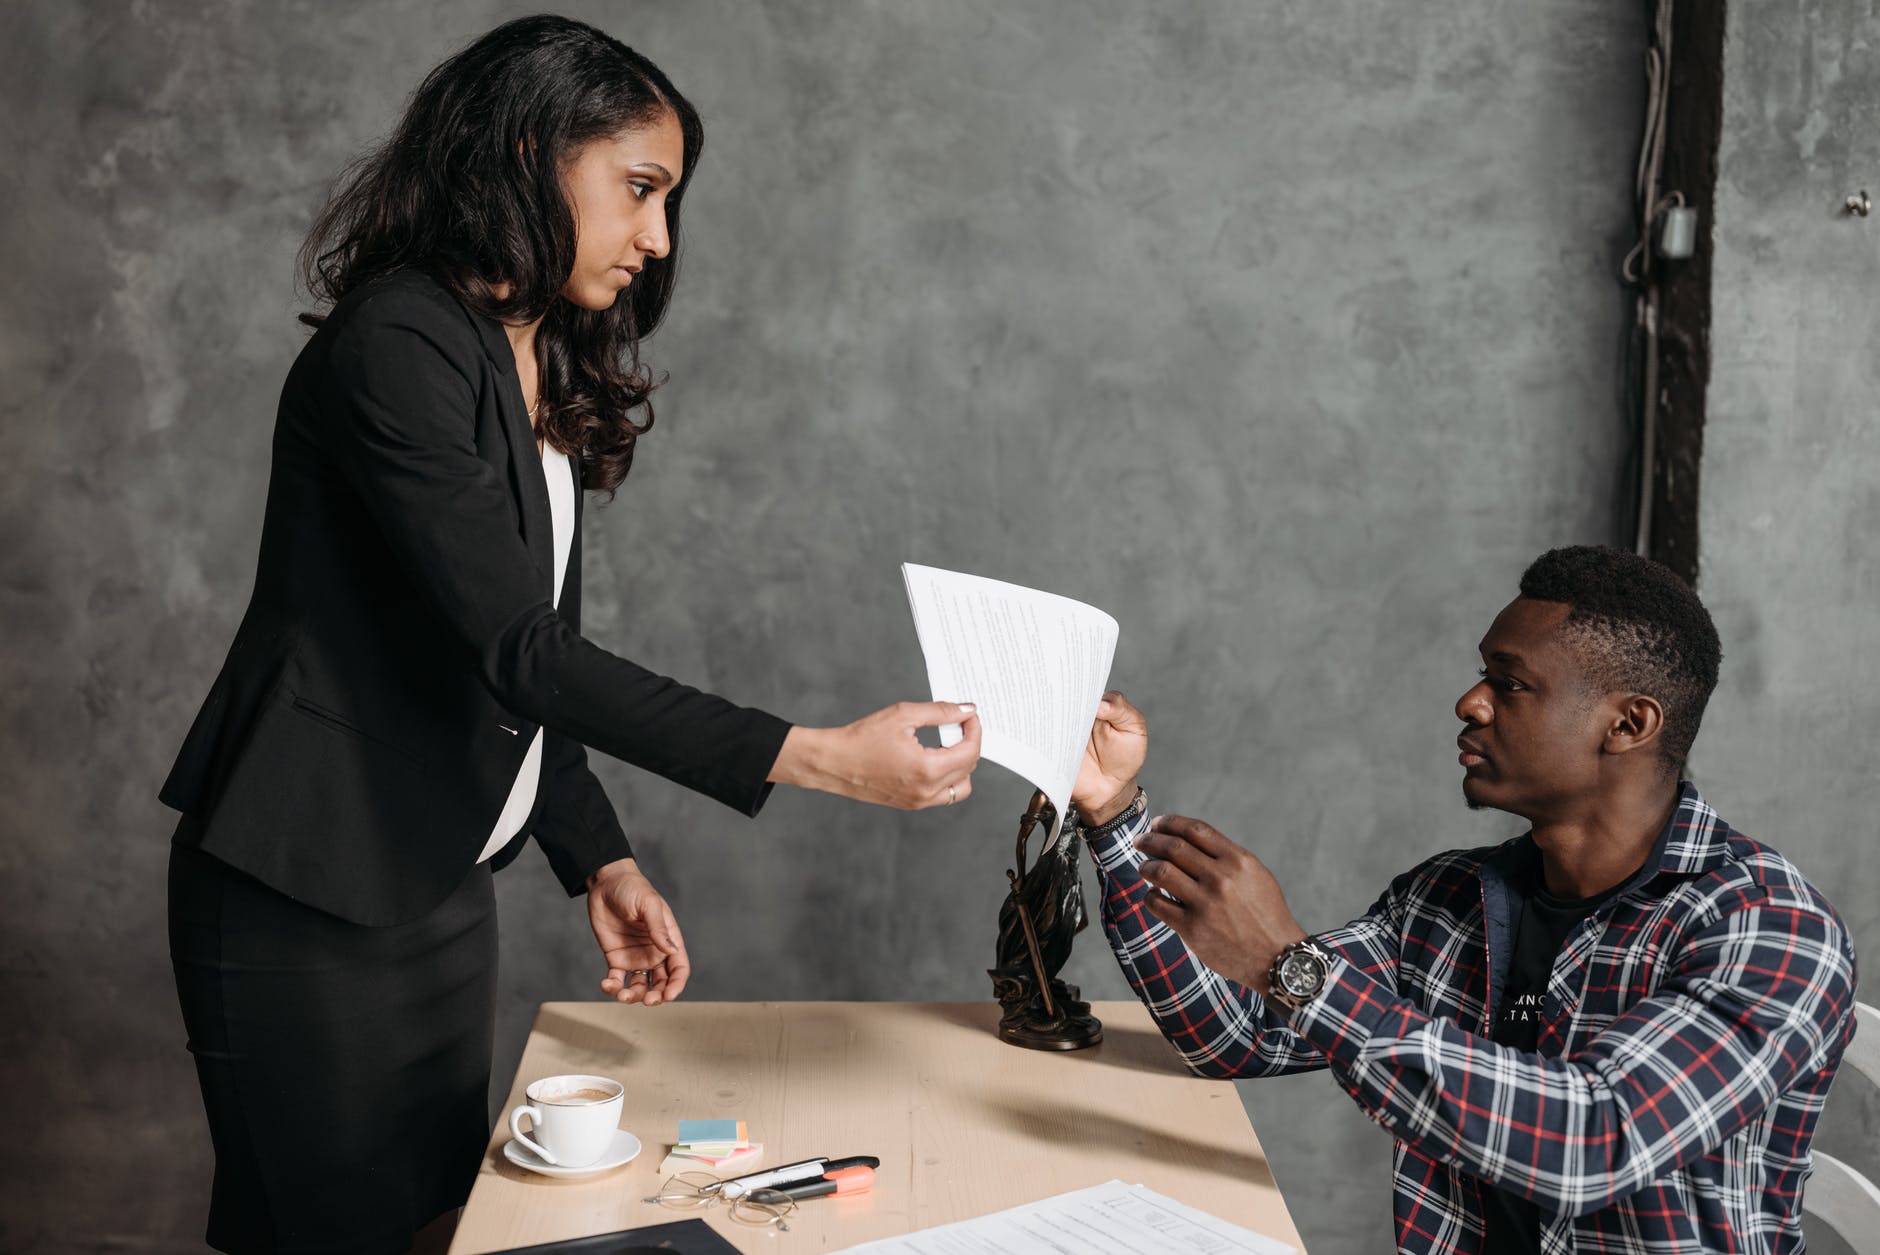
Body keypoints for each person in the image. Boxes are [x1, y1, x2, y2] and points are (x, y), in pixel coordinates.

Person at [162, 16, 981, 1254]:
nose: (657, 241)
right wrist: (815, 754)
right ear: (531, 153)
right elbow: (518, 653)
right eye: (639, 191)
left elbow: (497, 657)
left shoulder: (530, 352)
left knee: (448, 1221)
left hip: (436, 884)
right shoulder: (398, 342)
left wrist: (595, 855)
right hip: (306, 892)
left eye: (667, 203)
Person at [1067, 546, 1857, 1254]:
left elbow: (1592, 1141)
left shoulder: (1768, 926)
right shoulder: (1449, 898)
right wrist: (1112, 813)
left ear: (1629, 723)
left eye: (1508, 683)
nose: (1470, 701)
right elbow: (1234, 1034)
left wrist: (1288, 962)